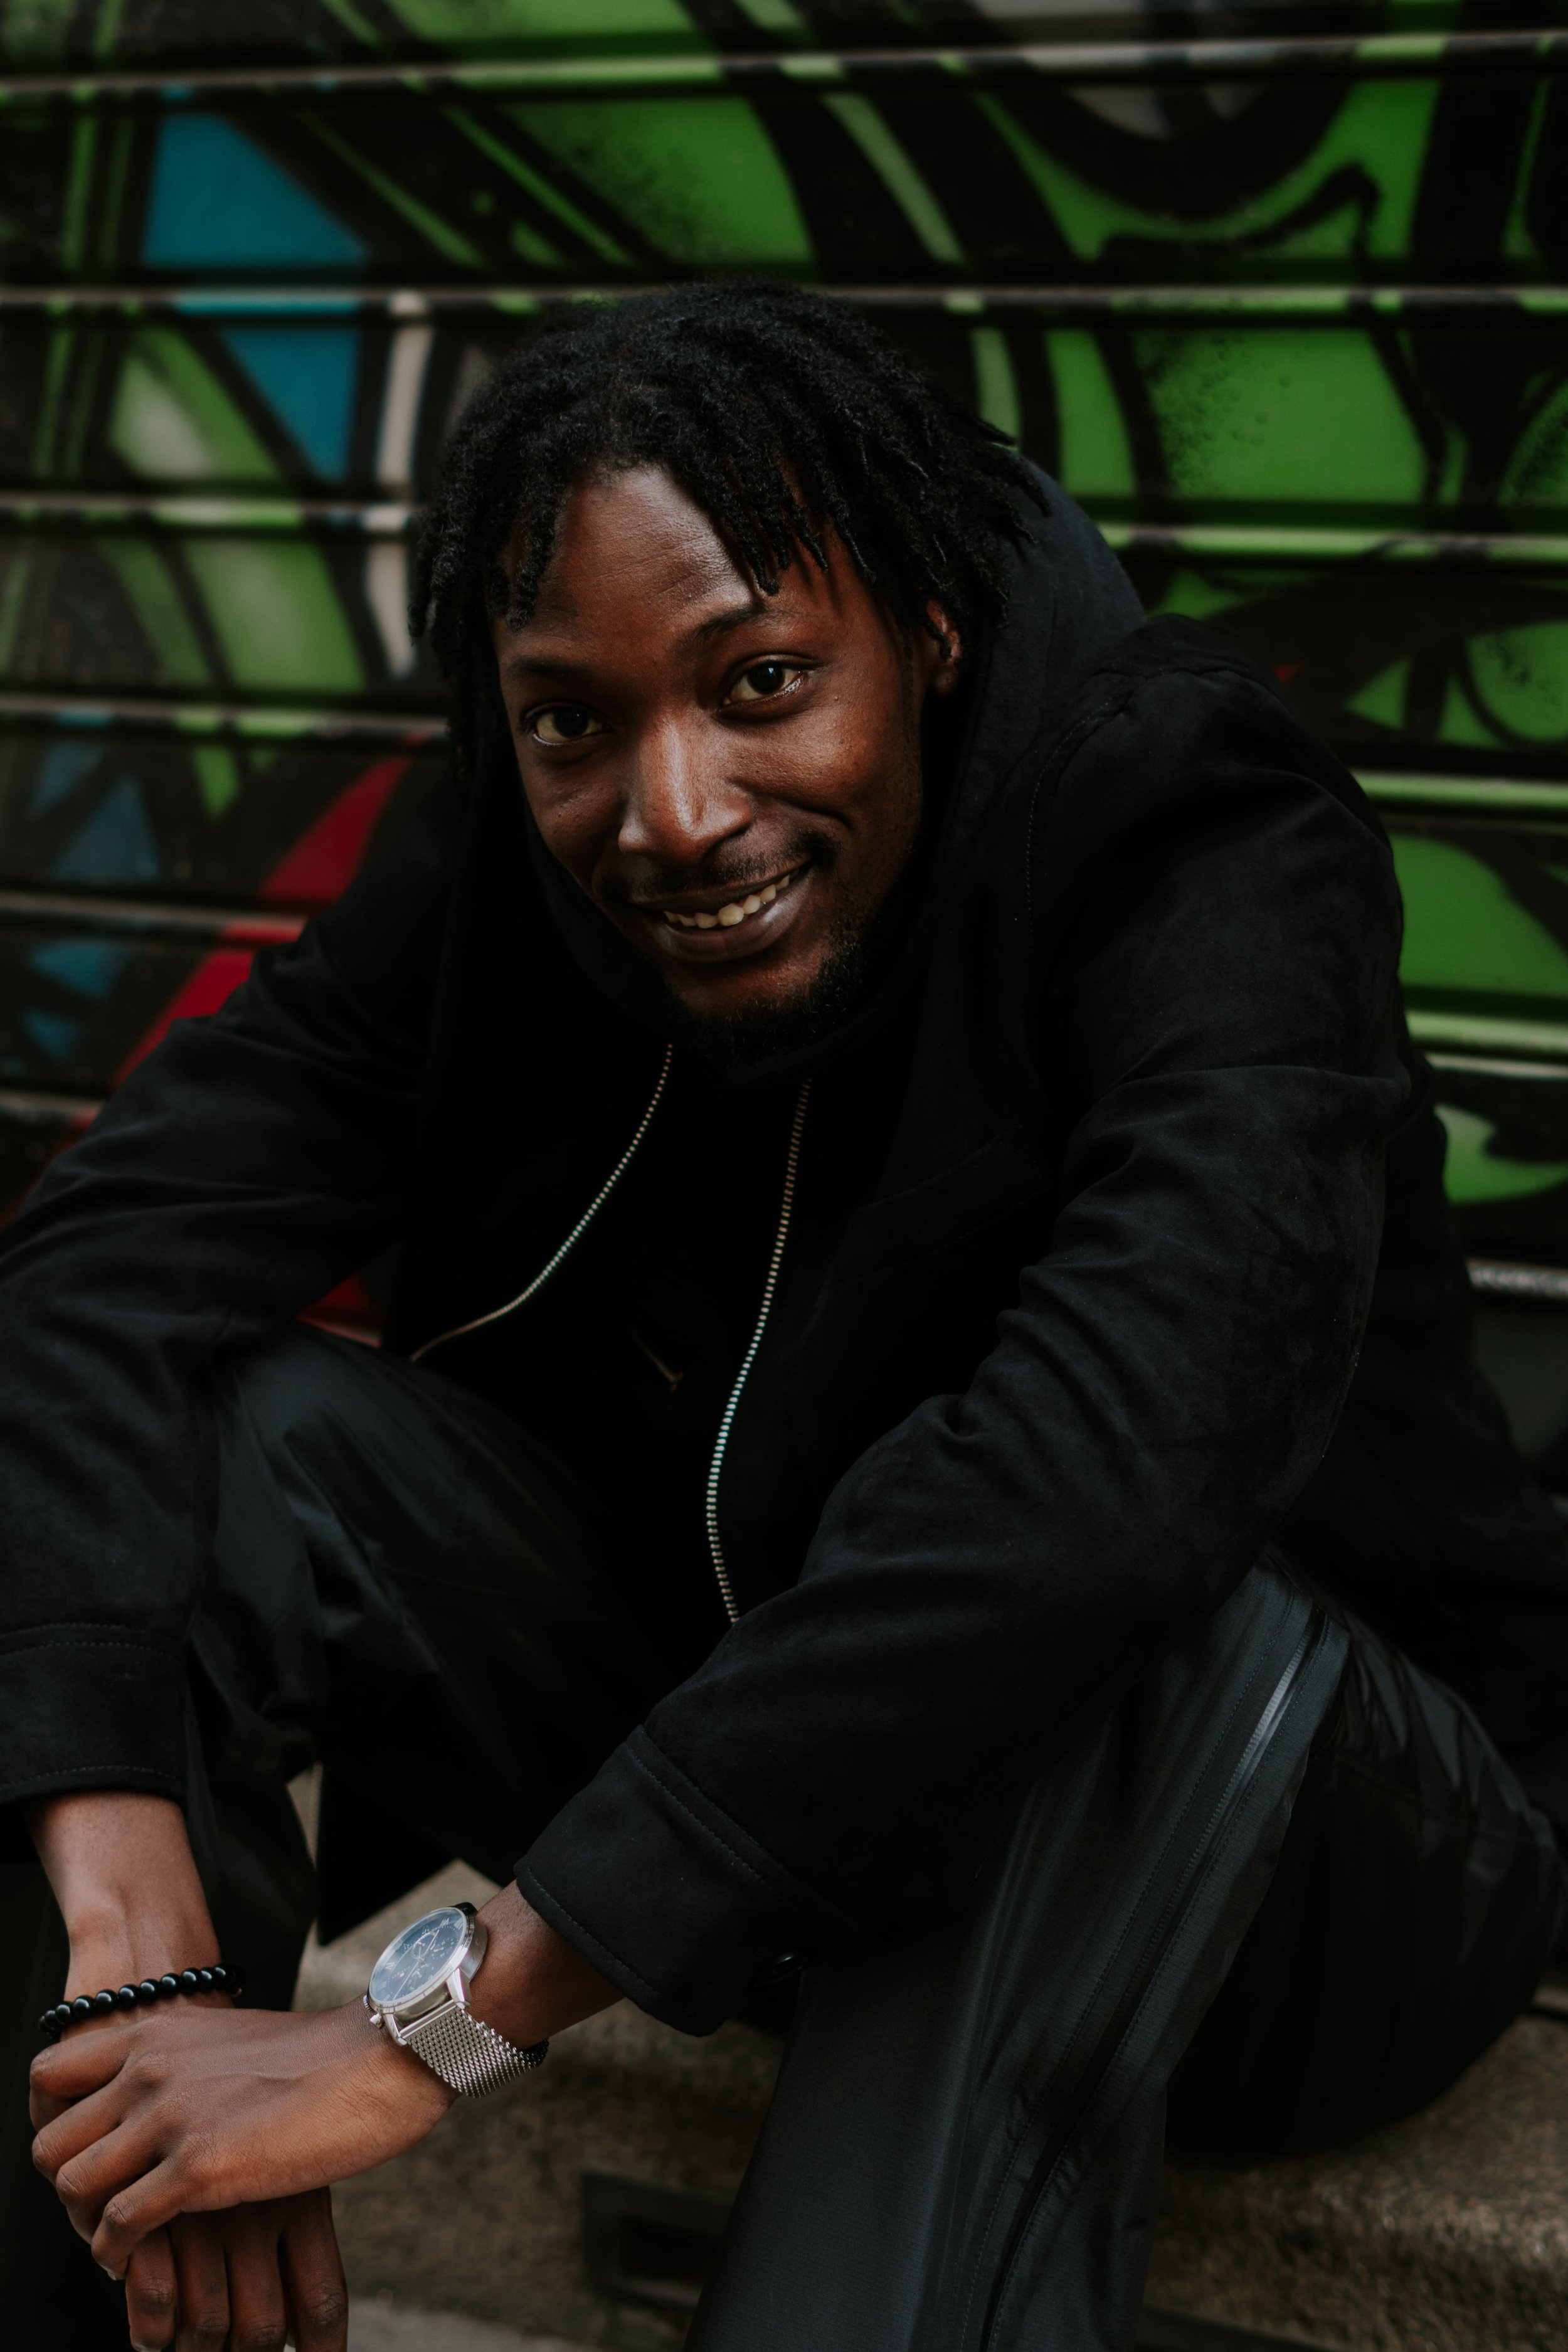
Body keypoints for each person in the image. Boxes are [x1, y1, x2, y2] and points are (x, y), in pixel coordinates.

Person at [8, 282, 1566, 2352]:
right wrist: (135, 1956)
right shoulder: (507, 861)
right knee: (242, 1433)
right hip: (791, 1821)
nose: (672, 810)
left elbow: (1109, 1482)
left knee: (1081, 1563)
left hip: (1312, 1875)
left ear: (919, 631)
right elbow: (93, 1262)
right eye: (577, 718)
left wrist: (429, 2032)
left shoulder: (1194, 825)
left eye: (759, 682)